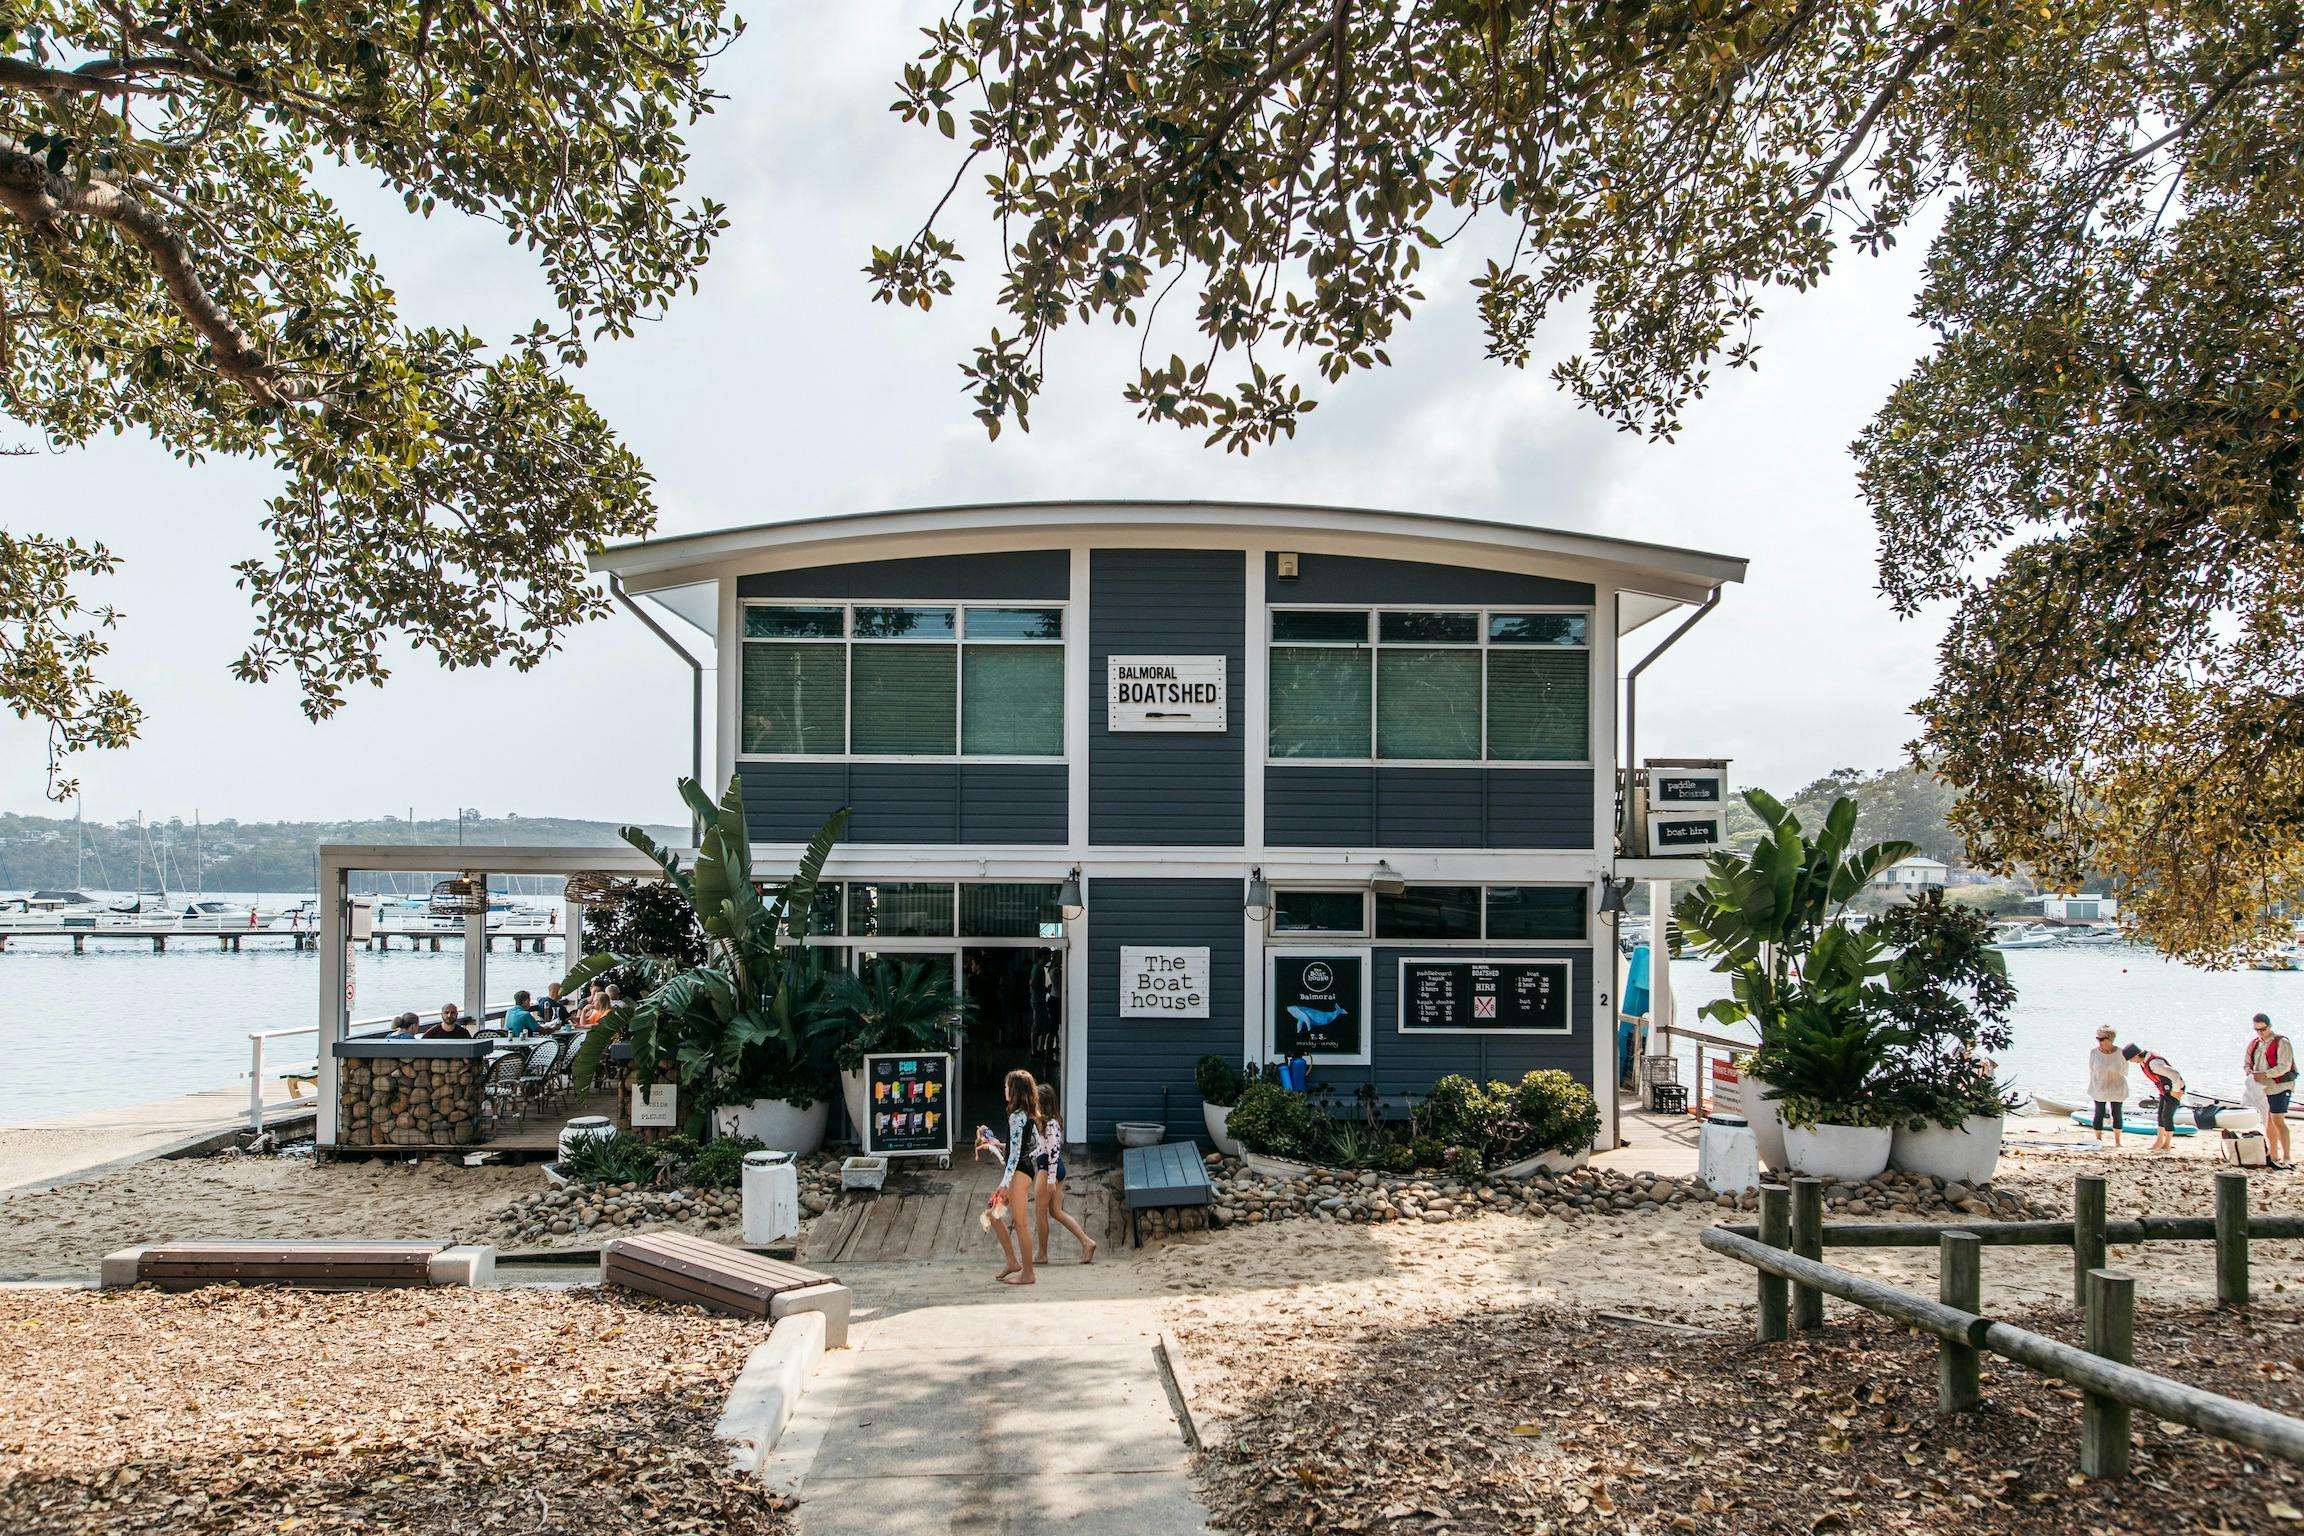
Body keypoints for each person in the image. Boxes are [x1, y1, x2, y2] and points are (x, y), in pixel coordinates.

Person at [973, 1069, 1041, 1286]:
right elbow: (1034, 1145)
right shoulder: (1028, 1114)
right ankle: (1012, 1262)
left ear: (1015, 1090)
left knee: (1020, 1224)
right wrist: (999, 1144)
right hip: (1025, 1169)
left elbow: (1016, 1153)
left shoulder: (1015, 1116)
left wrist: (1005, 1183)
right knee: (992, 1213)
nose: (1004, 1090)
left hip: (1017, 1173)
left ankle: (1028, 1273)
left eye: (1006, 1086)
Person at [1030, 1082, 1097, 1266]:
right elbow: (1043, 1149)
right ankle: (1087, 1242)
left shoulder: (1049, 1125)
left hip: (1048, 1171)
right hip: (1052, 1168)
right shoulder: (1049, 1123)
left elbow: (1052, 1153)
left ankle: (1042, 1254)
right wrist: (1028, 1156)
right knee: (1056, 1212)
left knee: (1040, 1213)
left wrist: (1050, 1179)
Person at [2246, 1013, 2296, 1168]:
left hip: (2279, 1086)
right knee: (2267, 1121)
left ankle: (2287, 1156)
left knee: (2278, 1120)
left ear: (2270, 1026)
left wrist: (2265, 1074)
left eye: (2263, 1029)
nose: (2260, 1032)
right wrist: (2250, 1073)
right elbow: (2247, 1063)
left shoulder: (2282, 1042)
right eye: (2257, 1030)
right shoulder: (2254, 1043)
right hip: (2262, 1088)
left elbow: (2284, 1066)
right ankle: (2273, 1154)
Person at [2121, 1043, 2186, 1153]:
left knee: (2167, 1116)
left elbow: (2175, 1074)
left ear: (2137, 1055)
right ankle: (2159, 1142)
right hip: (2164, 1089)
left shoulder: (2154, 1064)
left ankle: (2167, 1144)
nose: (2131, 1062)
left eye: (2131, 1059)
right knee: (2160, 1115)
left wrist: (2176, 1091)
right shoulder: (2143, 1061)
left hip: (2175, 1089)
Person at [2086, 1025, 2129, 1147]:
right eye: (2097, 1038)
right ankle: (2098, 1139)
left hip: (2117, 1086)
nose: (2098, 1042)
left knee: (2116, 1112)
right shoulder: (2094, 1052)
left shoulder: (2121, 1053)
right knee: (2099, 1111)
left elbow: (2125, 1071)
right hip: (2099, 1086)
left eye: (2101, 1039)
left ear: (2109, 1039)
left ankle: (2118, 1141)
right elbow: (2091, 1069)